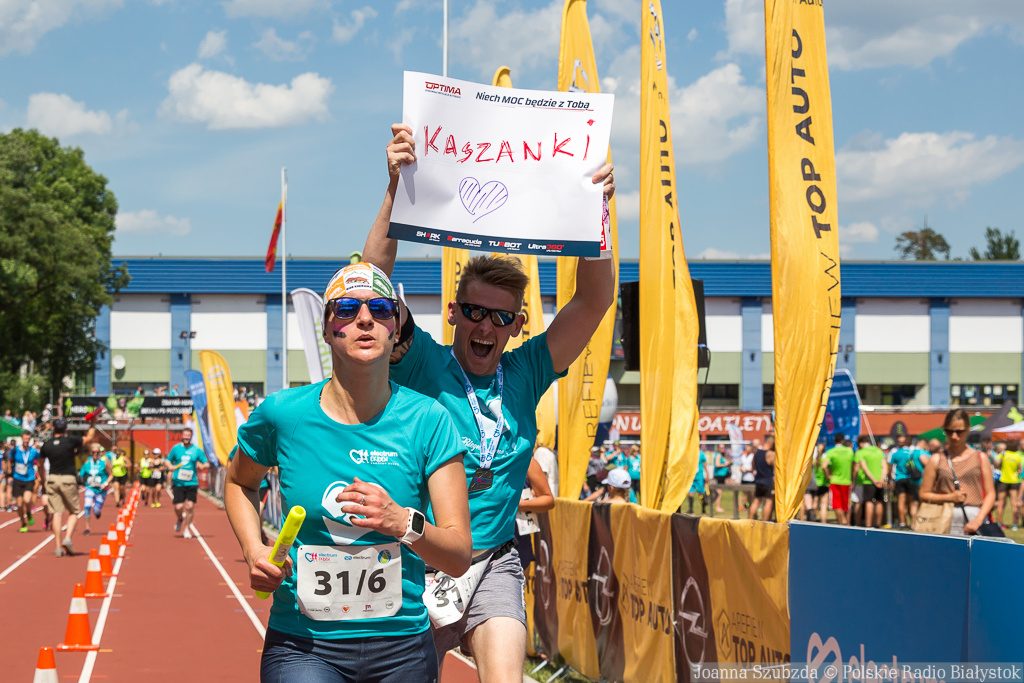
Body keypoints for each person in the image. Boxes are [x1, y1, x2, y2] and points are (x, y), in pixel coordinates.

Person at [362, 123, 615, 682]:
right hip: (417, 563)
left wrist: (595, 213)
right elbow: (371, 285)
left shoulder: (526, 371)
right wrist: (395, 187)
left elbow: (595, 300)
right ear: (454, 313)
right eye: (474, 312)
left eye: (500, 318)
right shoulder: (423, 362)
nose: (485, 327)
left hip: (494, 561)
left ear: (517, 325)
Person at [224, 262, 472, 682]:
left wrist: (403, 523)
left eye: (381, 308)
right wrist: (254, 549)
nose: (365, 319)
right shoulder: (283, 414)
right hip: (304, 645)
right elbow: (238, 481)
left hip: (402, 649)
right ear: (327, 328)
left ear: (396, 328)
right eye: (346, 309)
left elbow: (458, 554)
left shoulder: (429, 419)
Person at [919, 409, 996, 535]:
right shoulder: (936, 459)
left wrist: (978, 519)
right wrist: (949, 497)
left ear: (968, 430)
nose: (954, 436)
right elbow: (923, 494)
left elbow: (990, 494)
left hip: (975, 517)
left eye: (959, 432)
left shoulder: (980, 457)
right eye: (949, 431)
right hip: (944, 518)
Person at [41, 418, 85, 556]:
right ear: (66, 429)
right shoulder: (70, 441)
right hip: (68, 478)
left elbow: (40, 464)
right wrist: (93, 423)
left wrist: (43, 480)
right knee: (73, 512)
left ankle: (58, 547)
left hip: (53, 478)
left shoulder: (47, 445)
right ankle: (68, 539)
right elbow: (89, 438)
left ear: (53, 428)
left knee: (56, 513)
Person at [166, 428, 209, 538]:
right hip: (178, 482)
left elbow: (206, 463)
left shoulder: (196, 450)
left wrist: (202, 465)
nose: (186, 437)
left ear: (191, 436)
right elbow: (167, 460)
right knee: (178, 507)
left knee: (190, 507)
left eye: (188, 435)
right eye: (185, 435)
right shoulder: (176, 448)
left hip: (191, 482)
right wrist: (170, 466)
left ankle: (187, 529)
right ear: (182, 436)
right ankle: (180, 519)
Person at [887, 435, 928, 529]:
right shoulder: (913, 452)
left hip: (899, 479)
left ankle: (902, 522)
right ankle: (912, 522)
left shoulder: (896, 453)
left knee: (901, 502)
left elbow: (890, 467)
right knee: (911, 502)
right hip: (911, 479)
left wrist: (890, 479)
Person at [11, 430, 43, 532]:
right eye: (25, 439)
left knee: (27, 500)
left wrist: (39, 475)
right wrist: (9, 474)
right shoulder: (15, 450)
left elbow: (39, 462)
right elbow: (9, 460)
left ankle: (28, 512)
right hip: (17, 478)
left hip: (29, 478)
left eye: (28, 439)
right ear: (22, 438)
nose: (26, 441)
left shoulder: (34, 451)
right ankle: (23, 523)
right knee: (19, 505)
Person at [853, 435, 887, 528]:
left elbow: (864, 468)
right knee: (879, 502)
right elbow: (884, 467)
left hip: (868, 481)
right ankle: (877, 524)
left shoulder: (860, 452)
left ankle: (868, 525)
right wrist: (881, 480)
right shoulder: (879, 451)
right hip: (880, 481)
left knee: (869, 502)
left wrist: (874, 480)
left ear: (860, 444)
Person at [79, 444, 112, 535]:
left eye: (97, 452)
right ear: (91, 452)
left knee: (96, 510)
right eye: (94, 452)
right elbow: (81, 475)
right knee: (87, 507)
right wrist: (79, 483)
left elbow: (111, 475)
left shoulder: (103, 463)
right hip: (90, 488)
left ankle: (97, 512)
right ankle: (87, 528)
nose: (95, 454)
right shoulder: (87, 464)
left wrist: (105, 484)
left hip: (101, 490)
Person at [823, 434, 854, 526]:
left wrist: (828, 476)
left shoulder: (831, 451)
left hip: (835, 481)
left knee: (837, 505)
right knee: (847, 505)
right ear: (843, 441)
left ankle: (841, 524)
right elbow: (854, 466)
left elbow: (824, 466)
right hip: (847, 481)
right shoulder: (850, 451)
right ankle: (847, 524)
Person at [996, 441, 1022, 530]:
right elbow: (1020, 469)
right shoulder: (1017, 456)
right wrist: (1015, 472)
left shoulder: (1003, 454)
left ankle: (999, 523)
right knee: (1014, 503)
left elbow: (997, 465)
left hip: (1003, 480)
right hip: (1014, 481)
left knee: (1001, 503)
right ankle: (1015, 524)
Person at [749, 436, 775, 522]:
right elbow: (776, 468)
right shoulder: (770, 454)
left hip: (758, 480)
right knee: (769, 502)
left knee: (756, 501)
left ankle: (750, 521)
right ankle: (764, 522)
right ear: (771, 444)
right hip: (768, 481)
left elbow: (753, 466)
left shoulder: (757, 453)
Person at [712, 446, 731, 513]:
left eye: (723, 447)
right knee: (718, 492)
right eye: (721, 447)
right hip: (719, 476)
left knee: (720, 492)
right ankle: (717, 507)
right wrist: (726, 464)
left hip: (722, 475)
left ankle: (718, 506)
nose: (723, 448)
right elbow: (717, 464)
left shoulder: (722, 455)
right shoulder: (718, 455)